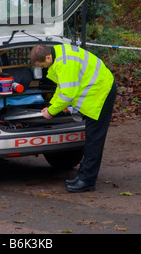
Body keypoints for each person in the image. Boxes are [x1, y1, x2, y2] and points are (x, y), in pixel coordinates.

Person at [30, 43, 116, 193]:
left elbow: (67, 94)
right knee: (91, 138)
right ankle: (83, 176)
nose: (42, 69)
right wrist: (51, 106)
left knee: (94, 139)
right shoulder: (58, 55)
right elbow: (62, 88)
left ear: (48, 57)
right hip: (97, 90)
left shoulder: (64, 63)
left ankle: (87, 180)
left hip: (101, 93)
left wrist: (51, 112)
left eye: (42, 65)